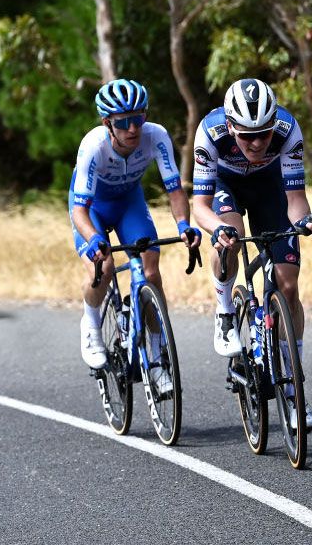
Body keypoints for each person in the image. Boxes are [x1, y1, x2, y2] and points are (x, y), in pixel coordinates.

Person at [191, 78, 312, 428]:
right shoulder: (210, 132)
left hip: (270, 187)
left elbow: (295, 201)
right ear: (231, 126)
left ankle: (294, 386)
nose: (257, 142)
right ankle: (224, 311)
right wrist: (217, 229)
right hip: (225, 186)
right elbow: (199, 206)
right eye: (246, 136)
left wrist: (306, 221)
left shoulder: (288, 130)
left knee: (288, 287)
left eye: (263, 133)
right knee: (229, 238)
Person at [70, 78, 201, 396]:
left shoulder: (156, 136)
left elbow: (174, 190)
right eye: (124, 122)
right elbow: (79, 212)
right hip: (93, 210)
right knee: (104, 266)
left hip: (129, 202)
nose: (133, 128)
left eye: (138, 118)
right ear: (107, 124)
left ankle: (156, 358)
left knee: (151, 266)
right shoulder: (94, 145)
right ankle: (91, 324)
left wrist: (184, 225)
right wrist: (92, 240)